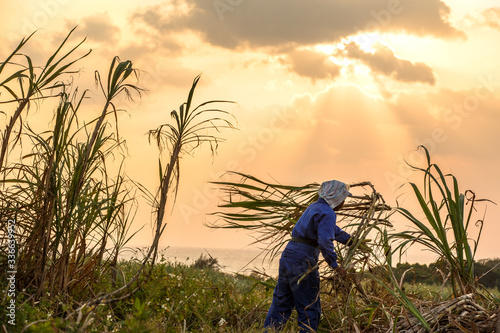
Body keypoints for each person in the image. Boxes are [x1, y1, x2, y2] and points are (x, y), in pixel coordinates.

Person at [263, 180, 354, 332]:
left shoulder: (314, 207)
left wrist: (350, 240)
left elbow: (332, 230)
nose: (343, 203)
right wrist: (335, 265)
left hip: (288, 256)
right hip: (303, 260)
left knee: (281, 303)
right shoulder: (328, 212)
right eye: (343, 199)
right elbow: (325, 240)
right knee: (309, 306)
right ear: (336, 197)